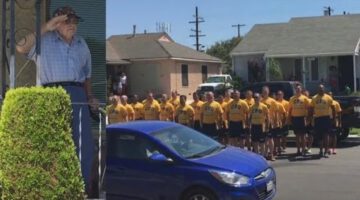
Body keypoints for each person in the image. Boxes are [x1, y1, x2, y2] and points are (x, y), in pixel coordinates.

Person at [16, 6, 97, 192]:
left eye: (74, 21)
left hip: (78, 94)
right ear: (56, 22)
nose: (72, 25)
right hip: (51, 93)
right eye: (67, 21)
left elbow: (87, 75)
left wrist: (90, 96)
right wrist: (47, 26)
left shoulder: (82, 44)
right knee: (52, 144)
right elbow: (21, 46)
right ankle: (53, 190)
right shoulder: (43, 41)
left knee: (83, 145)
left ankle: (79, 189)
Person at [309, 84, 335, 158]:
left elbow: (333, 108)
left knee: (326, 135)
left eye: (322, 89)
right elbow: (311, 109)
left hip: (326, 118)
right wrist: (310, 118)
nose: (321, 90)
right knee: (319, 136)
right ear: (318, 90)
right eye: (320, 89)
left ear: (324, 89)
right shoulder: (314, 98)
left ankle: (326, 151)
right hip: (318, 119)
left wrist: (333, 118)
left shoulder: (328, 97)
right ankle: (321, 151)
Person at [288, 85, 310, 155]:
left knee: (303, 135)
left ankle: (303, 150)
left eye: (299, 89)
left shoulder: (305, 98)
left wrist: (307, 118)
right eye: (296, 89)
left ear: (301, 90)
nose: (297, 90)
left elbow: (308, 109)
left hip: (302, 118)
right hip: (295, 118)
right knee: (297, 135)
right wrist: (290, 119)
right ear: (295, 90)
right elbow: (290, 109)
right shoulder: (292, 98)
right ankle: (298, 150)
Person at [261, 86, 278, 161]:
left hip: (270, 122)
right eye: (263, 91)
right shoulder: (260, 101)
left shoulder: (272, 101)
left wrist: (276, 122)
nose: (265, 93)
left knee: (270, 139)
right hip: (262, 123)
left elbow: (276, 112)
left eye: (266, 91)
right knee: (264, 139)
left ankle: (271, 154)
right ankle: (265, 154)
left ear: (268, 92)